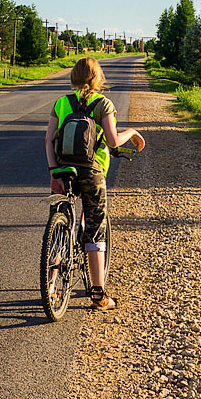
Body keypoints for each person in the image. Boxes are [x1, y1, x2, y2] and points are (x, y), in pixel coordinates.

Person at [44, 56, 145, 310]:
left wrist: (53, 172)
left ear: (73, 78)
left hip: (64, 171)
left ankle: (52, 285)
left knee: (59, 225)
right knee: (95, 229)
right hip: (91, 174)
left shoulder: (61, 104)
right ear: (98, 78)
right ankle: (98, 294)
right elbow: (112, 141)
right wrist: (131, 133)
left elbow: (49, 141)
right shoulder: (104, 104)